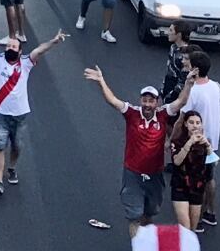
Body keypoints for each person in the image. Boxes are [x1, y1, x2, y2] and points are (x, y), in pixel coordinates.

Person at [82, 65, 195, 239]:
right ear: (140, 100)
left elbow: (181, 102)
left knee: (149, 214)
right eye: (145, 100)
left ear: (157, 102)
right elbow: (112, 100)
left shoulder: (164, 114)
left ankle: (147, 241)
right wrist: (101, 81)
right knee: (134, 217)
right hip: (133, 174)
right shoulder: (132, 113)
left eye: (151, 101)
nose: (147, 104)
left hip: (155, 174)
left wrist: (188, 84)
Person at [0, 23, 66, 195]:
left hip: (20, 115)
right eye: (8, 45)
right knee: (0, 146)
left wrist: (54, 41)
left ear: (20, 51)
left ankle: (12, 167)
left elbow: (40, 50)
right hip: (0, 113)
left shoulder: (26, 64)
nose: (10, 48)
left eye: (14, 46)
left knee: (17, 146)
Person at [182, 51, 220, 227]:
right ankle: (210, 212)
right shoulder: (215, 86)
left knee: (195, 182)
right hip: (212, 141)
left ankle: (196, 220)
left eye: (188, 63)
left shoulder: (193, 91)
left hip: (197, 143)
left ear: (195, 69)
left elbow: (183, 116)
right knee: (209, 178)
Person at [168, 109, 211, 234]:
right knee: (185, 227)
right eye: (191, 122)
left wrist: (208, 146)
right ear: (186, 124)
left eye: (198, 123)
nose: (195, 125)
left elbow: (213, 161)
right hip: (180, 186)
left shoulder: (204, 142)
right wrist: (189, 143)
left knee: (192, 229)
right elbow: (177, 161)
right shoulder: (178, 141)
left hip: (197, 187)